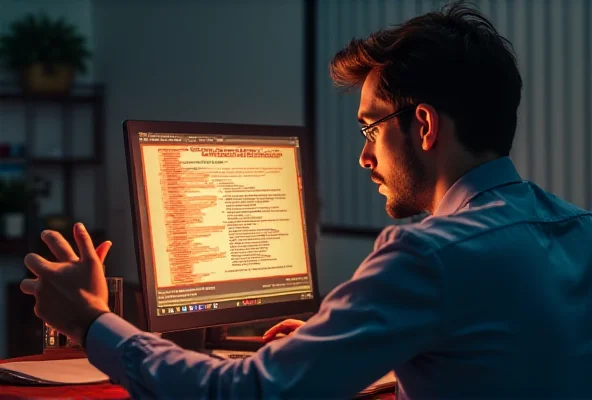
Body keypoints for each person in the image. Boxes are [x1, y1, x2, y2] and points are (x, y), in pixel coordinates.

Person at [19, 2, 592, 399]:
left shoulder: (430, 255)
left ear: (422, 125)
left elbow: (239, 393)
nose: (365, 158)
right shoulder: (579, 230)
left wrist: (91, 321)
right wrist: (341, 347)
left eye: (370, 129)